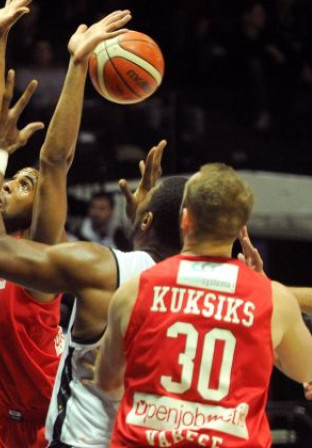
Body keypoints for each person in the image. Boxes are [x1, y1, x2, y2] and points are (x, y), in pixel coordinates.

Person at [0, 3, 133, 447]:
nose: (10, 183)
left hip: (50, 414)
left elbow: (54, 162)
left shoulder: (37, 254)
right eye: (11, 177)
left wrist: (77, 66)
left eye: (24, 183)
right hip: (1, 413)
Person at [95, 163, 312, 446]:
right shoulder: (273, 299)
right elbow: (306, 370)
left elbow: (107, 381)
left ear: (185, 219)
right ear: (239, 229)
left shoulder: (134, 290)